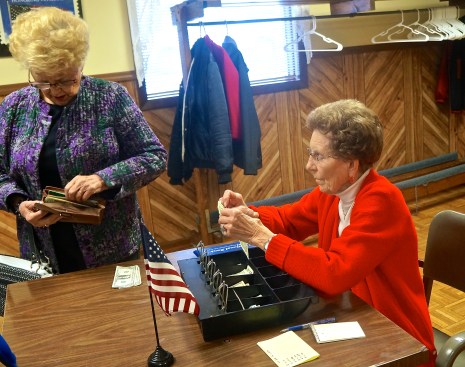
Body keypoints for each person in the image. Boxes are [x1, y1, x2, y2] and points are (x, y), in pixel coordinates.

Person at [218, 99, 436, 366]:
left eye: (318, 156)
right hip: (355, 315)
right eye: (311, 153)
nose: (309, 165)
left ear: (352, 166)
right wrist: (249, 213)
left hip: (398, 336)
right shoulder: (334, 192)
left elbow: (334, 273)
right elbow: (288, 221)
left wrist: (260, 236)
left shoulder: (381, 201)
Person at [0, 7, 167, 273]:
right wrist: (18, 203)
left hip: (113, 251)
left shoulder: (110, 97)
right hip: (43, 255)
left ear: (81, 63)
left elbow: (154, 156)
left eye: (67, 80)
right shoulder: (13, 107)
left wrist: (103, 179)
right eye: (44, 81)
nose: (57, 91)